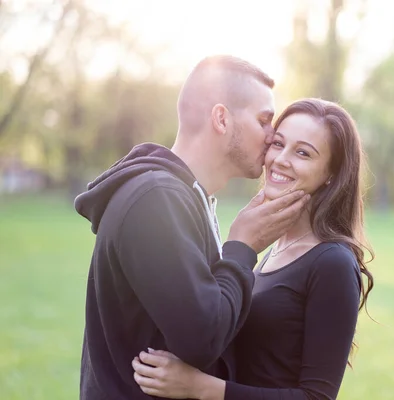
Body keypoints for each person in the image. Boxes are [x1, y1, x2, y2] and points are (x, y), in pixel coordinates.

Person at [74, 55, 311, 400]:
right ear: (221, 118)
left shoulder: (184, 197)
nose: (272, 136)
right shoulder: (156, 198)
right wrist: (243, 246)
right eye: (263, 120)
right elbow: (202, 338)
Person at [131, 98, 375, 400]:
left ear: (331, 174)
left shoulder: (332, 262)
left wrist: (201, 387)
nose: (281, 159)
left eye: (302, 152)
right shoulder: (272, 247)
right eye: (278, 144)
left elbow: (317, 396)